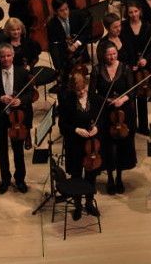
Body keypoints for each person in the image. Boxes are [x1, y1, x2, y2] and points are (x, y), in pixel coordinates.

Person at [0, 45, 33, 194]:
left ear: (13, 56)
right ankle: (5, 180)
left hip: (18, 118)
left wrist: (20, 101)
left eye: (8, 56)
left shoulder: (23, 73)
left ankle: (20, 180)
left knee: (18, 151)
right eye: (3, 56)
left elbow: (30, 94)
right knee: (2, 150)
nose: (6, 59)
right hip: (0, 117)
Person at [91, 40, 137, 194]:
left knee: (122, 146)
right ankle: (110, 176)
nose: (112, 57)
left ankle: (119, 176)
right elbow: (92, 94)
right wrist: (107, 101)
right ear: (103, 55)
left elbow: (132, 91)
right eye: (109, 54)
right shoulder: (97, 70)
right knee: (108, 147)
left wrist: (122, 100)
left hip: (123, 114)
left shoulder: (125, 68)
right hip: (105, 112)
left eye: (114, 54)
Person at [58, 72, 103, 220]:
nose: (81, 92)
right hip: (75, 144)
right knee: (76, 175)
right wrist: (76, 129)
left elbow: (101, 119)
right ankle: (78, 205)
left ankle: (89, 203)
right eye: (78, 90)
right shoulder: (66, 101)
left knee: (91, 175)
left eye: (83, 89)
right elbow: (62, 125)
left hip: (92, 145)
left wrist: (97, 128)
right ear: (72, 89)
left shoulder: (95, 98)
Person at [47, 0, 90, 81]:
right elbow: (54, 43)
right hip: (63, 51)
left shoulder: (76, 15)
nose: (65, 12)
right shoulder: (52, 24)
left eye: (66, 9)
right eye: (61, 10)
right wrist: (66, 46)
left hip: (79, 48)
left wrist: (76, 44)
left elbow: (85, 33)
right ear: (56, 12)